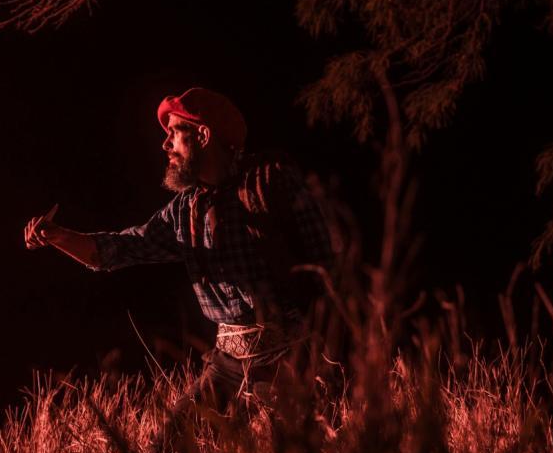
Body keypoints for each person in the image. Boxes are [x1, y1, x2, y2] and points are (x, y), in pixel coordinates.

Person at [24, 87, 334, 414]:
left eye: (174, 132)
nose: (165, 143)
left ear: (202, 135)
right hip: (228, 365)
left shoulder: (271, 182)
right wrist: (58, 237)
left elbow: (330, 266)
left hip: (294, 357)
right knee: (168, 451)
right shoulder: (185, 211)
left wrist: (335, 357)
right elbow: (118, 249)